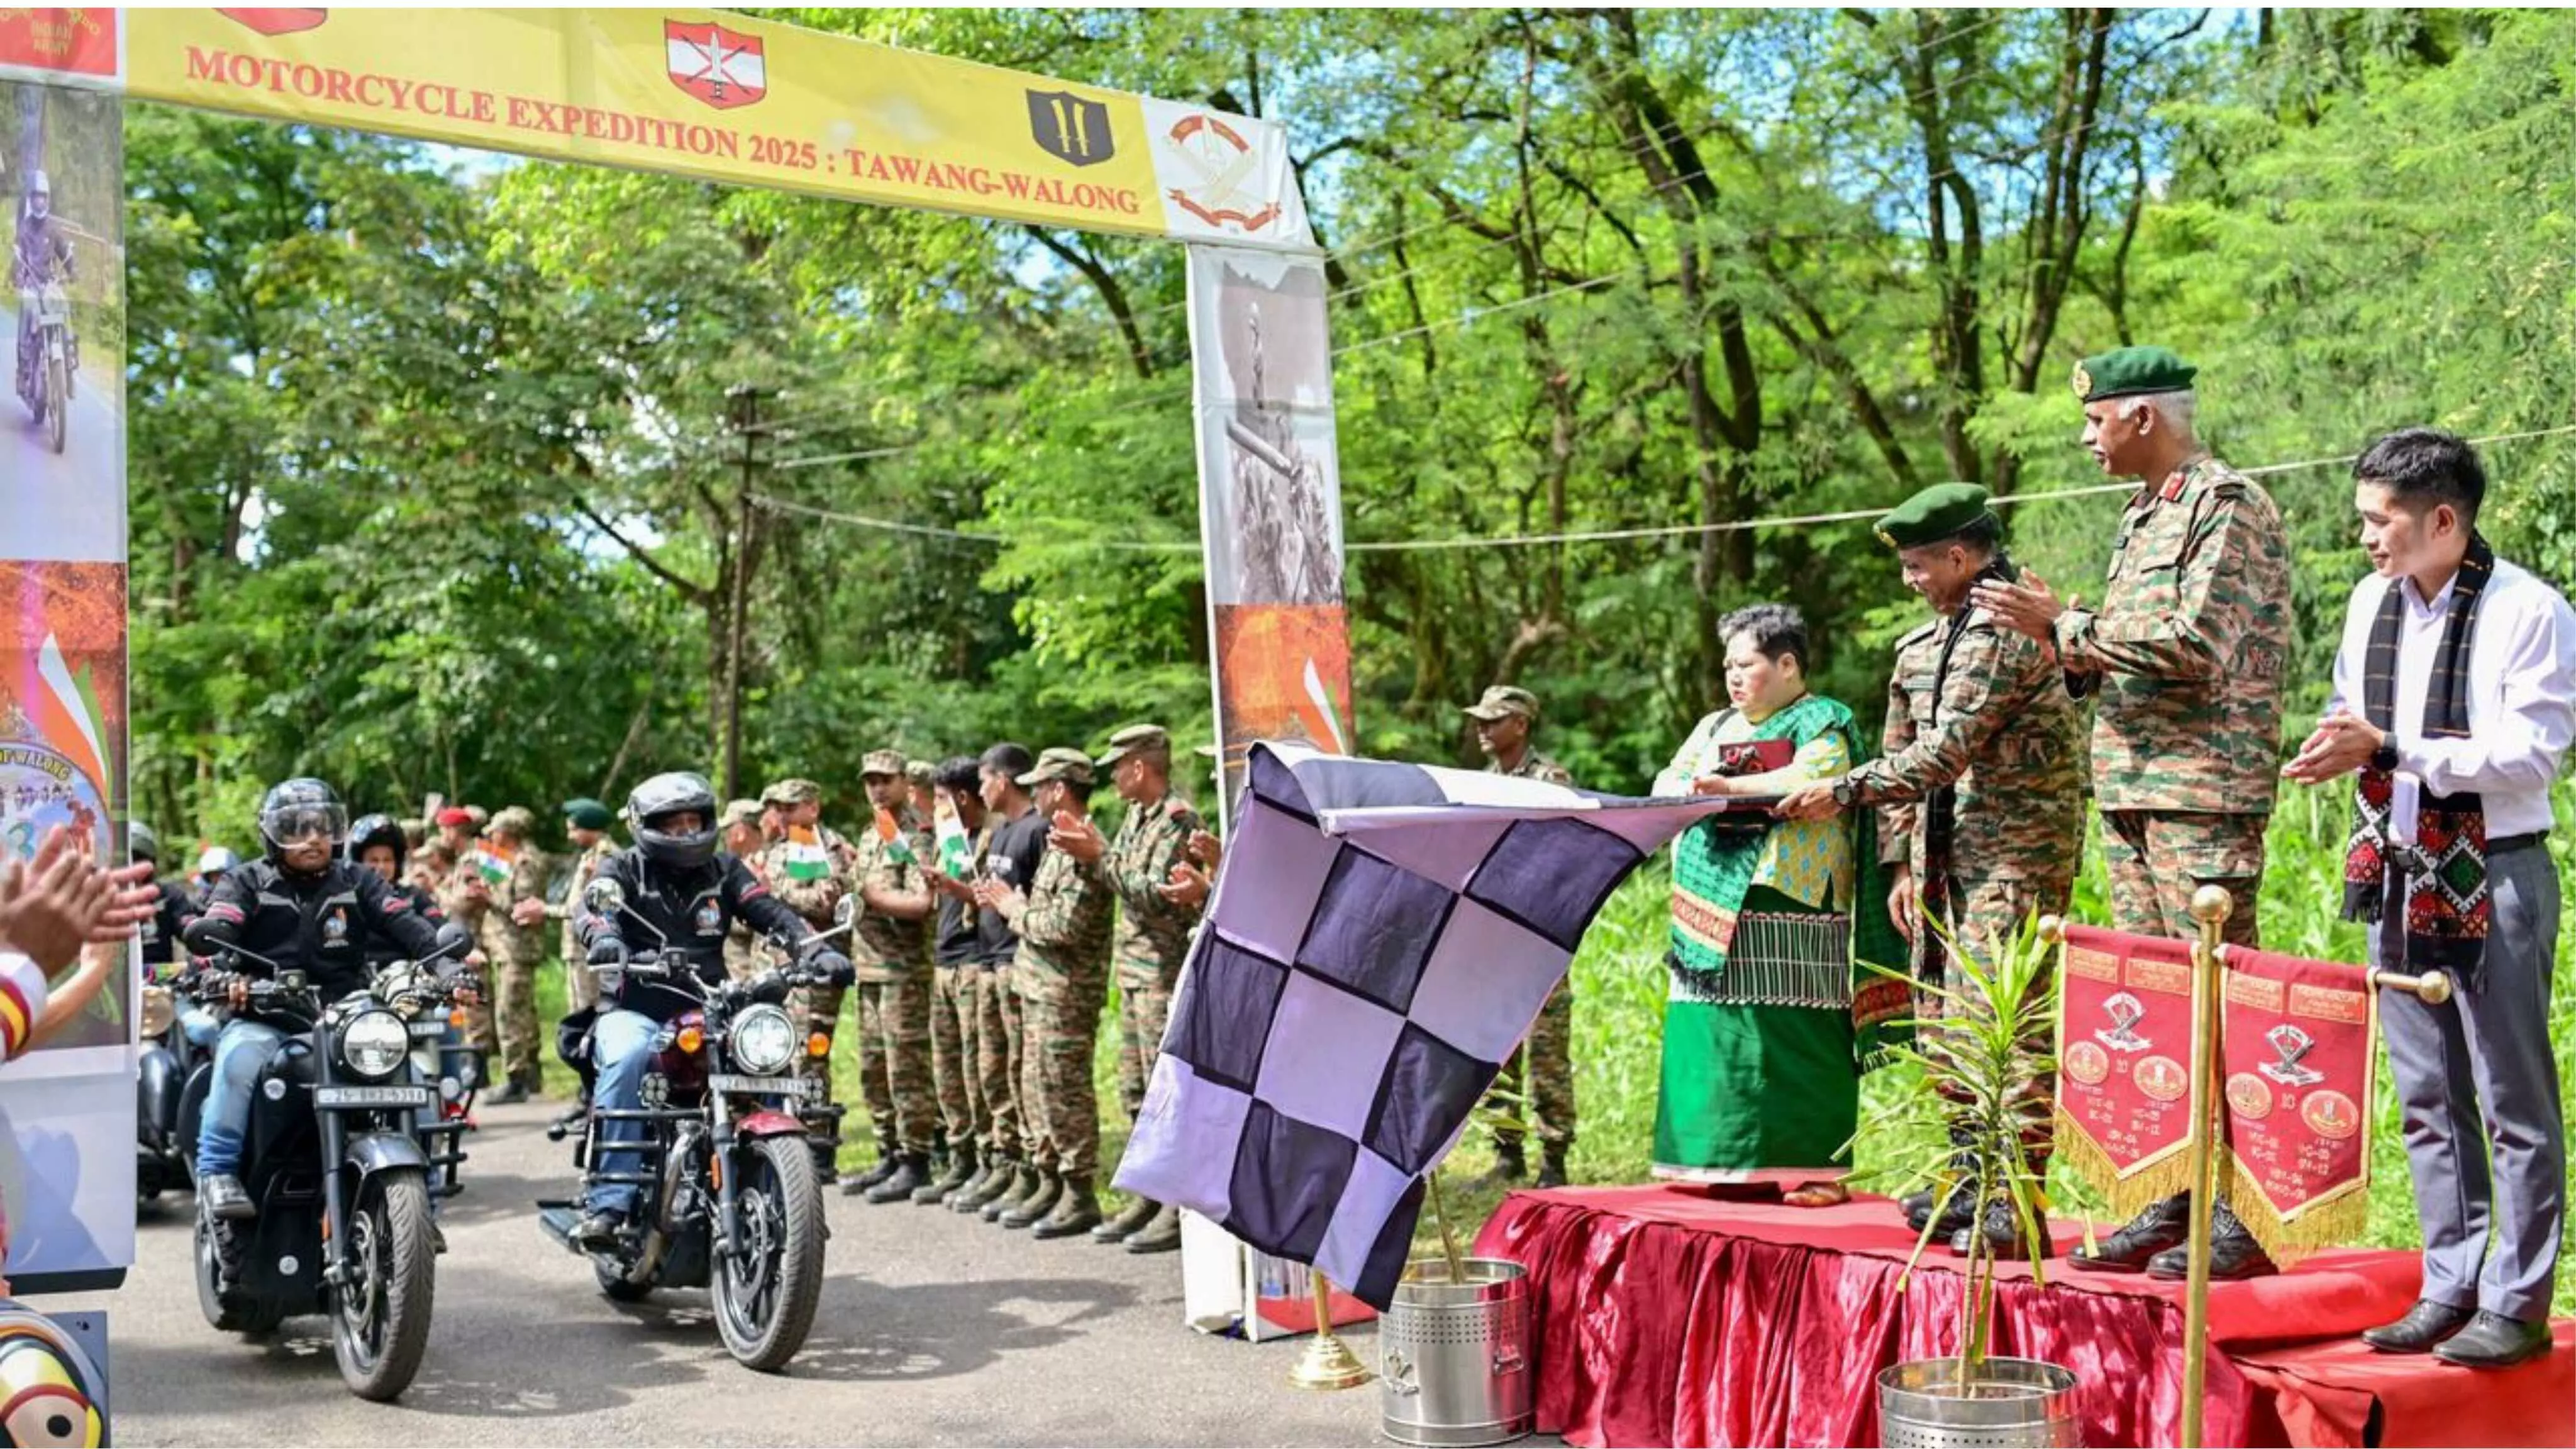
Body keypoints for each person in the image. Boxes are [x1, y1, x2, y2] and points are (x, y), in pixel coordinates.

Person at [1975, 345, 2294, 1280]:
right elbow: (2120, 654)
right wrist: (2071, 650)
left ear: (2144, 417)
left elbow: (2197, 643)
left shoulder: (2225, 505)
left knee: (2220, 1000)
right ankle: (2174, 1197)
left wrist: (2063, 629)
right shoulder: (2139, 518)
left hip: (2203, 792)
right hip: (2131, 785)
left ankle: (2250, 1215)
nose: (2086, 439)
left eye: (2094, 420)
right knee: (2155, 1008)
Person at [2284, 429, 2572, 1369]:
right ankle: (2449, 1283)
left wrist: (2394, 750)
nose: (2366, 538)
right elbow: (2355, 717)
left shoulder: (2530, 610)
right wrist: (2339, 751)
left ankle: (2517, 1298)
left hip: (2498, 866)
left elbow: (2531, 754)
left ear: (2442, 519)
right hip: (2400, 866)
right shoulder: (2373, 601)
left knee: (2509, 1097)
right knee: (2426, 1094)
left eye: (2381, 520)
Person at [1777, 484, 2085, 1255]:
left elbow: (1945, 753)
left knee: (2000, 1031)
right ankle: (1967, 1177)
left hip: (2011, 858)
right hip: (1941, 863)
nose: (1909, 579)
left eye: (1918, 565)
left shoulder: (2008, 633)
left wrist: (1837, 792)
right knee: (1946, 1028)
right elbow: (1900, 756)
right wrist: (1899, 864)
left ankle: (2016, 1202)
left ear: (1959, 555)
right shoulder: (1919, 647)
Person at [1649, 604, 1904, 1202]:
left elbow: (1810, 779)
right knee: (1714, 1026)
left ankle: (1818, 1168)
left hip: (1791, 897)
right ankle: (1719, 1160)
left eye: (1747, 665)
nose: (1733, 678)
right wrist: (1696, 787)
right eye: (1728, 666)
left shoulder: (1823, 720)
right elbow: (1669, 778)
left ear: (1787, 665)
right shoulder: (1715, 726)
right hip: (1707, 902)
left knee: (1799, 1028)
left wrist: (1725, 788)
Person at [567, 772, 849, 1248]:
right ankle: (611, 1203)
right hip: (637, 1006)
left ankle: (790, 1196)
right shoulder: (622, 868)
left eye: (693, 820)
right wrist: (606, 937)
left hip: (709, 1006)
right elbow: (593, 910)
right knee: (629, 1056)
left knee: (765, 1058)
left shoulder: (725, 870)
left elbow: (770, 910)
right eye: (672, 823)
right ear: (645, 824)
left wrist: (813, 948)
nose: (685, 831)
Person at [182, 781, 459, 1219]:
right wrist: (219, 973)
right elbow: (220, 926)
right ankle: (217, 1172)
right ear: (273, 835)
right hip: (267, 1014)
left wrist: (450, 969)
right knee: (236, 1059)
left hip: (348, 1014)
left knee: (407, 1070)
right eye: (297, 827)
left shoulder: (358, 880)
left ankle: (421, 1193)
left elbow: (407, 925)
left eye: (323, 827)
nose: (312, 838)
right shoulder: (246, 881)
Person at [1059, 724, 1203, 1252]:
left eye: (1118, 767)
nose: (1113, 776)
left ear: (1139, 768)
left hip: (1162, 976)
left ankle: (1176, 1206)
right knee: (1137, 1092)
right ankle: (1149, 1193)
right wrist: (1090, 855)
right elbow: (1119, 878)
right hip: (1135, 976)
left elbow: (1158, 896)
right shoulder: (1136, 819)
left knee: (1166, 1093)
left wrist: (1099, 856)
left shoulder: (1177, 821)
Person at [977, 748, 1118, 1240]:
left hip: (1067, 991)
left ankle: (1079, 1193)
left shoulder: (1083, 847)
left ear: (1059, 789)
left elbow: (1064, 926)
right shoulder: (1060, 844)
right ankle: (1054, 1180)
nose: (1032, 793)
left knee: (1064, 1089)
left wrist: (1014, 907)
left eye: (1039, 785)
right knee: (1037, 1085)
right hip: (1039, 985)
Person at [1463, 686, 1580, 1189]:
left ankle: (1554, 1160)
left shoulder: (1550, 780)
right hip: (1493, 935)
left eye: (1494, 721)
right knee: (1495, 1048)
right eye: (1480, 721)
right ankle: (1507, 1153)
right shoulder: (1481, 784)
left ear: (1522, 725)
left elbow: (1566, 853)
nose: (1483, 730)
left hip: (1541, 934)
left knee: (1547, 1049)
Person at [844, 750, 937, 1202]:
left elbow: (922, 903)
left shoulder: (914, 834)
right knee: (873, 1068)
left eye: (885, 780)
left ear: (904, 782)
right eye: (870, 782)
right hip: (869, 967)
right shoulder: (873, 834)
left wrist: (869, 894)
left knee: (906, 1069)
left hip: (904, 971)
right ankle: (888, 1151)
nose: (877, 789)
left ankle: (916, 1159)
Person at [959, 744, 1047, 1220]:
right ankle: (1009, 1163)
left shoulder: (1037, 831)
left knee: (1022, 1071)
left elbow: (1035, 901)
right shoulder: (1002, 833)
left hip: (1019, 964)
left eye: (985, 779)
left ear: (1006, 780)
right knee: (995, 1070)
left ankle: (1036, 1169)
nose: (979, 790)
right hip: (989, 961)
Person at [750, 779, 857, 1105]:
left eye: (791, 808)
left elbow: (827, 902)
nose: (783, 816)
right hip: (773, 966)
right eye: (780, 809)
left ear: (813, 807)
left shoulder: (825, 846)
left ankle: (814, 1132)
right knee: (769, 1049)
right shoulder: (783, 846)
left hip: (812, 969)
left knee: (808, 1052)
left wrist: (773, 893)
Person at [918, 757, 987, 1206]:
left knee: (975, 1068)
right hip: (942, 963)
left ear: (963, 797)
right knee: (947, 1072)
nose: (936, 807)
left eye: (942, 798)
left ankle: (989, 1161)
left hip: (972, 962)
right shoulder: (949, 839)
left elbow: (989, 898)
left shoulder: (991, 837)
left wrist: (955, 887)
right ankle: (960, 1159)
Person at [479, 806, 552, 1103]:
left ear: (508, 833)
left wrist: (488, 896)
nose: (492, 837)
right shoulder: (509, 859)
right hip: (508, 947)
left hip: (517, 948)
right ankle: (530, 1075)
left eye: (495, 832)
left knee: (509, 1013)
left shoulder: (525, 862)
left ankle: (516, 1079)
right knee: (523, 1012)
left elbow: (521, 906)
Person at [546, 799, 619, 1016]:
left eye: (574, 830)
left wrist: (544, 910)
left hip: (590, 947)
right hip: (579, 947)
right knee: (579, 1009)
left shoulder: (605, 856)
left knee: (590, 1009)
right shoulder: (591, 855)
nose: (570, 837)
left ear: (590, 828)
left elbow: (588, 906)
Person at [11, 170, 74, 409]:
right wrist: (18, 274)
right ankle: (25, 369)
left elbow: (65, 252)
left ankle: (68, 354)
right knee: (27, 313)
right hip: (30, 285)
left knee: (63, 304)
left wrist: (72, 270)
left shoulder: (54, 228)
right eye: (36, 196)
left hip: (48, 284)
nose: (40, 201)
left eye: (44, 197)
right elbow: (18, 256)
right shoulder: (25, 228)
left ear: (48, 199)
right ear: (31, 199)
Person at [128, 824, 197, 974]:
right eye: (126, 861)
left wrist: (202, 950)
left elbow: (191, 931)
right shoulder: (101, 899)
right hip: (112, 981)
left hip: (159, 980)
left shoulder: (168, 896)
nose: (132, 866)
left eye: (138, 859)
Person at [717, 799, 769, 982]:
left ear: (739, 832)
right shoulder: (744, 863)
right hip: (743, 967)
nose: (724, 837)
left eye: (727, 830)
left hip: (751, 970)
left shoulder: (759, 865)